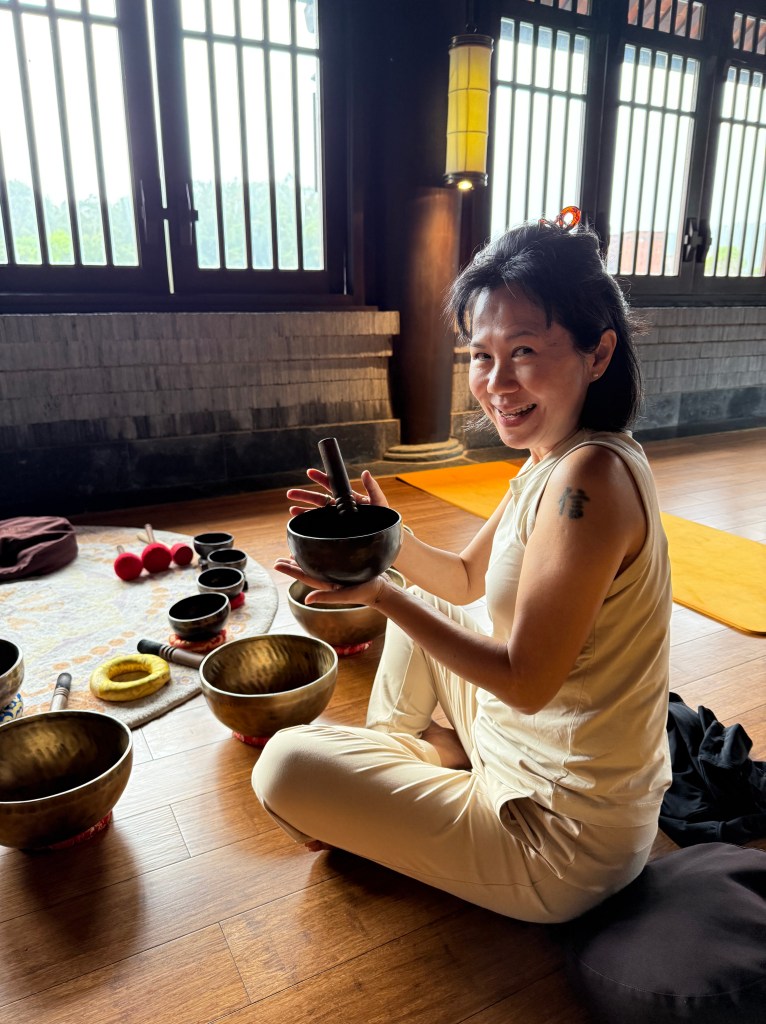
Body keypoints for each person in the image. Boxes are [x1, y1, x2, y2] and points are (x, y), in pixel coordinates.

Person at [252, 213, 672, 924]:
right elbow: (464, 581)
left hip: (557, 835)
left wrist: (379, 592)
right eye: (481, 355)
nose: (496, 381)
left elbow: (528, 682)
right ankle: (414, 753)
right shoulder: (552, 457)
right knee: (430, 601)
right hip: (515, 747)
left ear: (598, 354)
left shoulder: (592, 479)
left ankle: (409, 762)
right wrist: (387, 537)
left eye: (525, 350)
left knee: (283, 767)